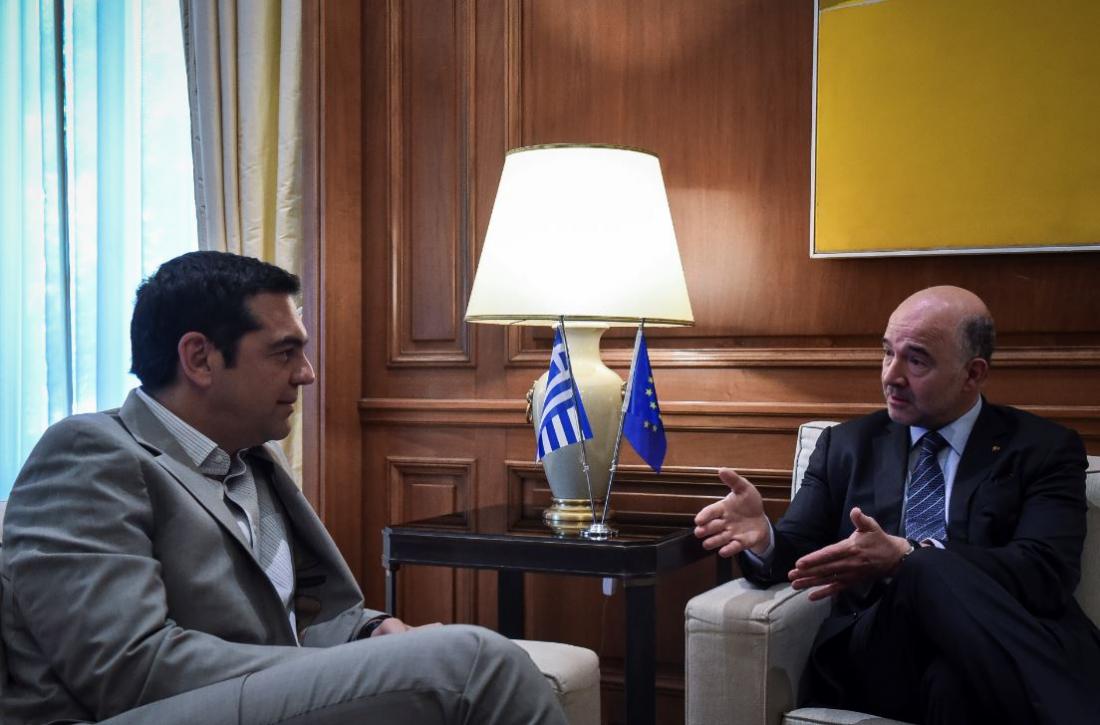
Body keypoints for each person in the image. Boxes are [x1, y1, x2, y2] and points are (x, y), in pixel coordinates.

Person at [0, 251, 566, 725]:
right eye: (284, 352)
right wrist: (339, 672)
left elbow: (301, 615)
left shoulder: (250, 459)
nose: (307, 373)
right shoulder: (89, 452)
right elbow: (129, 668)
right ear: (199, 358)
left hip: (248, 698)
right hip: (136, 711)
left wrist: (370, 633)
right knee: (473, 664)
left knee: (466, 664)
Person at [694, 285, 1100, 724]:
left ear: (973, 373)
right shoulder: (846, 446)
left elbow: (1045, 572)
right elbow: (799, 553)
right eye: (888, 353)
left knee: (950, 681)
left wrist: (907, 555)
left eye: (917, 360)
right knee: (920, 565)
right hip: (879, 649)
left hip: (984, 652)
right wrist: (764, 539)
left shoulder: (1042, 448)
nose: (892, 375)